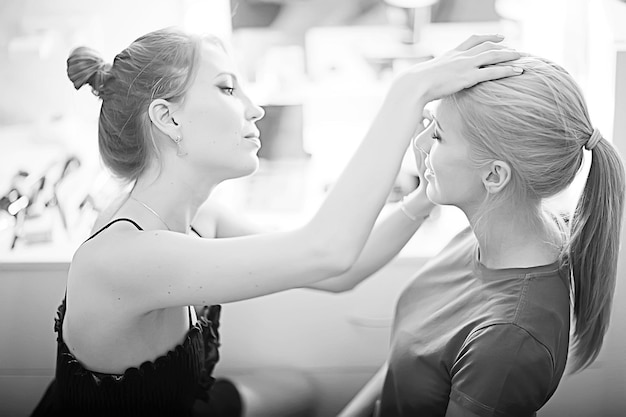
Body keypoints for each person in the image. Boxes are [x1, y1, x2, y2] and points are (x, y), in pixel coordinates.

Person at [30, 27, 521, 417]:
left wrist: (424, 197)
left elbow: (339, 271)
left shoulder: (201, 217)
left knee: (300, 390)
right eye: (227, 88)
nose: (255, 107)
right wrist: (407, 92)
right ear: (168, 119)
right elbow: (327, 249)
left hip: (182, 401)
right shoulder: (126, 256)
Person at [335, 55, 626, 416]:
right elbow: (409, 361)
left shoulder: (508, 340)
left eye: (437, 134)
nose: (421, 144)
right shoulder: (488, 235)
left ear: (493, 176)